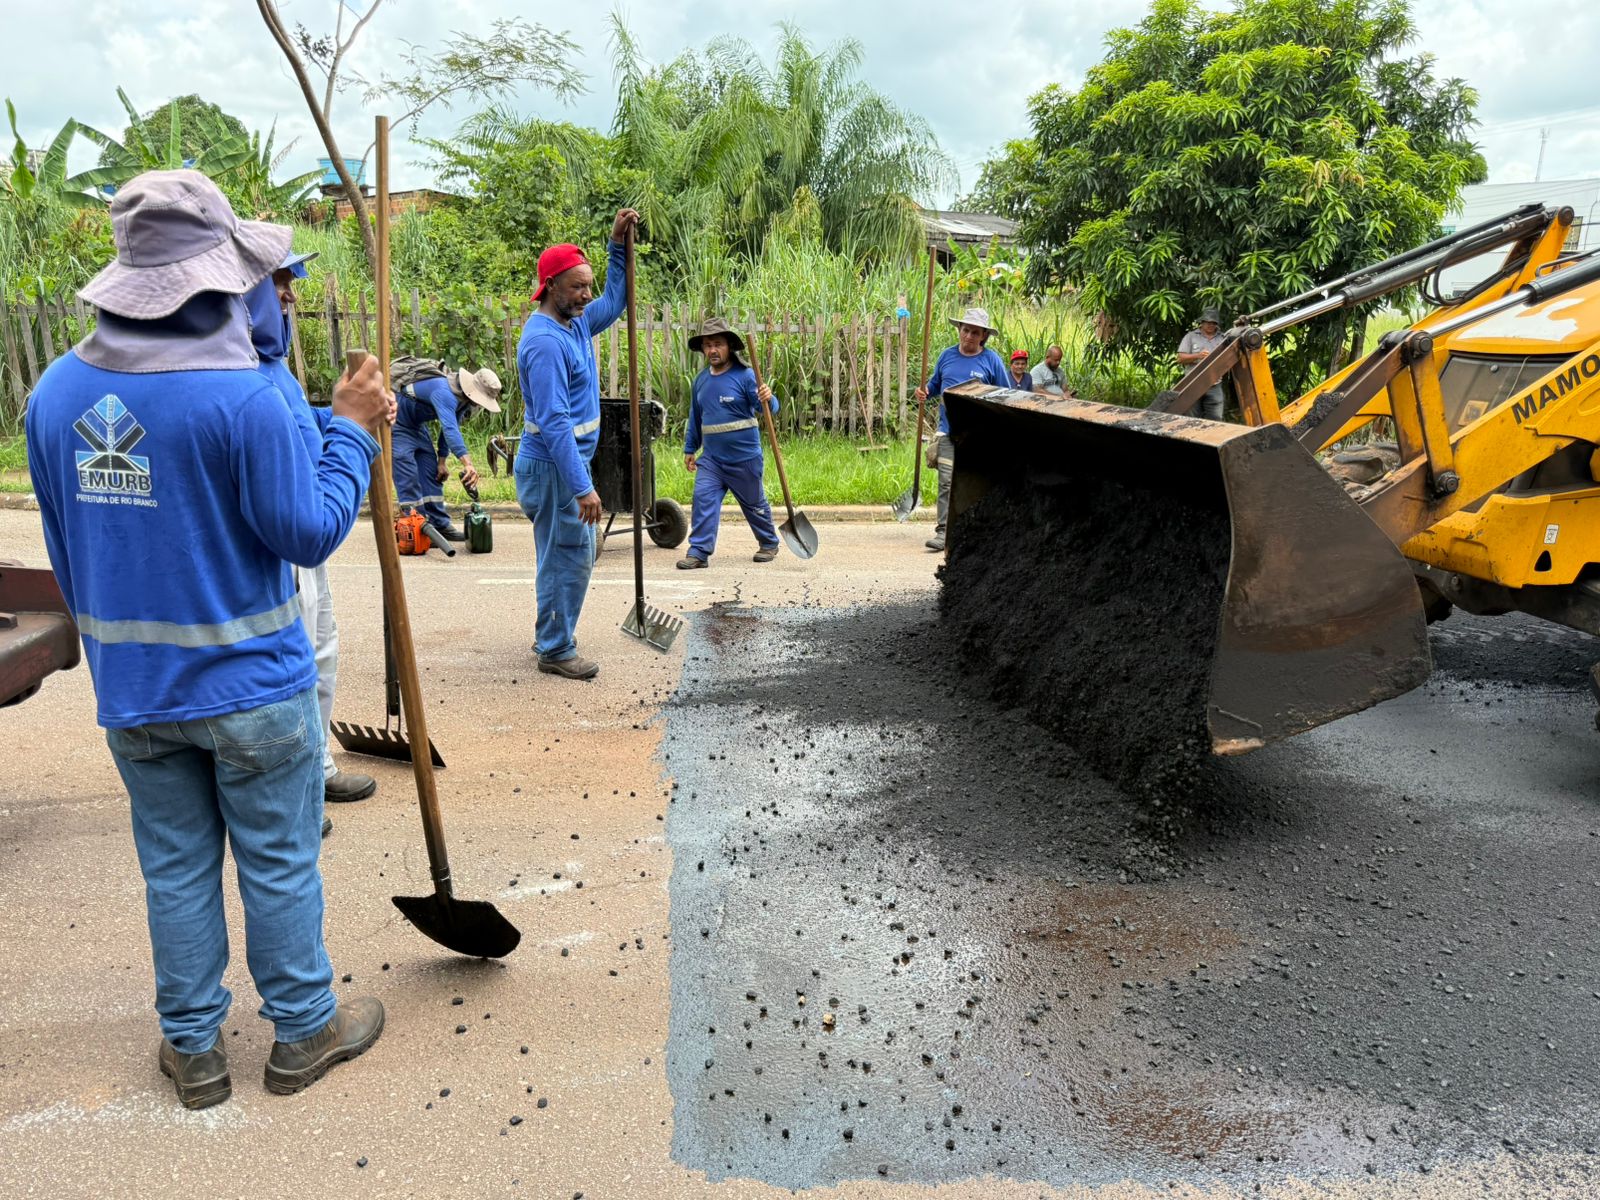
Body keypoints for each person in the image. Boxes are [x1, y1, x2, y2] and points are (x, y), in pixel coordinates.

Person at [24, 171, 390, 1110]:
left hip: (136, 695)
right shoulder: (248, 398)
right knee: (275, 862)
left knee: (175, 868)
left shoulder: (55, 395)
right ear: (222, 282)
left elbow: (68, 559)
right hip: (254, 692)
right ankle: (304, 1031)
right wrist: (352, 434)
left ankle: (193, 1049)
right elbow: (307, 533)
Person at [245, 250, 387, 813]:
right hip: (285, 534)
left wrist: (345, 417)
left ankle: (317, 763)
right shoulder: (237, 369)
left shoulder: (271, 363)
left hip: (308, 526)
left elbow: (298, 421)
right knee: (295, 657)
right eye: (278, 282)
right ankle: (296, 788)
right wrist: (350, 428)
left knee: (321, 648)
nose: (289, 295)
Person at [515, 208, 640, 681]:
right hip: (552, 468)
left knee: (568, 551)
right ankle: (555, 648)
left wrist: (615, 246)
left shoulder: (577, 322)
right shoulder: (545, 342)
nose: (587, 295)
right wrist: (583, 487)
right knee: (570, 555)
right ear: (550, 286)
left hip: (563, 466)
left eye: (587, 285)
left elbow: (617, 299)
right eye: (576, 286)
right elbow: (553, 422)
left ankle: (550, 629)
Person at [678, 317, 780, 569]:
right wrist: (690, 448)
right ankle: (698, 551)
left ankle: (768, 542)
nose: (712, 350)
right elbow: (696, 416)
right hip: (712, 459)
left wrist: (769, 397)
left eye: (718, 344)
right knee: (702, 500)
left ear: (728, 347)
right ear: (702, 348)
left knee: (755, 504)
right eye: (708, 345)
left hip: (744, 458)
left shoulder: (745, 376)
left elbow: (767, 409)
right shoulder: (701, 381)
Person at [913, 307, 1009, 552]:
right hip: (948, 431)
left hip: (978, 434)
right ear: (959, 330)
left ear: (983, 336)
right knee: (946, 481)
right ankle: (944, 532)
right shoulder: (947, 356)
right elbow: (934, 384)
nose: (968, 336)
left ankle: (977, 532)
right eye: (965, 330)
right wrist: (925, 390)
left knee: (976, 480)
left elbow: (1007, 395)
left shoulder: (992, 361)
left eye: (975, 332)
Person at [391, 363, 501, 540]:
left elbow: (450, 428)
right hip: (396, 424)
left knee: (431, 474)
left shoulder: (463, 400)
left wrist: (442, 462)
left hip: (417, 427)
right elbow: (450, 430)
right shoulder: (444, 392)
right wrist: (468, 464)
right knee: (408, 476)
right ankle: (416, 530)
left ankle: (439, 526)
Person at [1176, 306, 1227, 421]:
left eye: (1213, 323)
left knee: (1216, 418)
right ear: (1202, 322)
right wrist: (1198, 356)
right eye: (1207, 322)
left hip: (1214, 384)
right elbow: (1180, 358)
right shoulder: (1191, 336)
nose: (1210, 325)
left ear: (1217, 324)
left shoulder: (1223, 338)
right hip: (1192, 383)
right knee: (1192, 419)